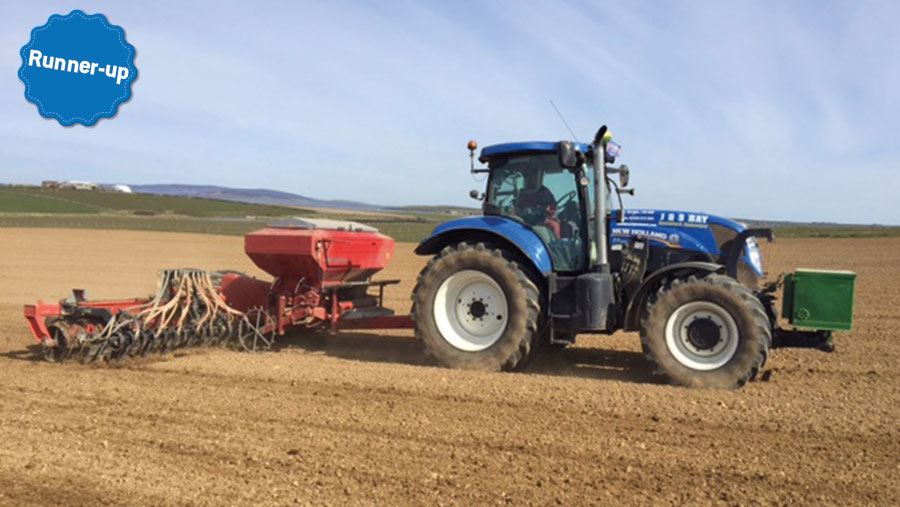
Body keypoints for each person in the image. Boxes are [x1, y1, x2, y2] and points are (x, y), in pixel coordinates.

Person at [514, 171, 561, 239]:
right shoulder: (522, 193)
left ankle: (557, 245)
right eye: (529, 176)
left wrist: (546, 213)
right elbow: (517, 208)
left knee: (554, 225)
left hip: (541, 220)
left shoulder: (545, 192)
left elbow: (552, 208)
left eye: (534, 176)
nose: (530, 178)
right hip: (524, 221)